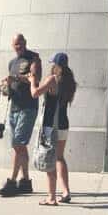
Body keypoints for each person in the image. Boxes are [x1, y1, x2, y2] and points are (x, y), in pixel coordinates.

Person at [29, 52, 78, 206]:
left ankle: (51, 197)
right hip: (64, 124)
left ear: (56, 65)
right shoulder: (70, 82)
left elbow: (35, 93)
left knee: (49, 158)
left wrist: (32, 81)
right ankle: (66, 191)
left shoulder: (52, 80)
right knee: (59, 157)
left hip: (51, 126)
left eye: (53, 64)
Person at [0, 33, 41, 197]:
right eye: (16, 44)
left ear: (25, 42)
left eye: (21, 43)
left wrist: (15, 77)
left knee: (18, 143)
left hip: (28, 108)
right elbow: (12, 83)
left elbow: (34, 80)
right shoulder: (12, 63)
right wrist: (6, 86)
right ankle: (26, 181)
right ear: (12, 45)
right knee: (19, 146)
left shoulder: (34, 58)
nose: (19, 46)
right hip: (14, 107)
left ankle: (12, 182)